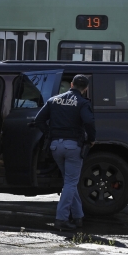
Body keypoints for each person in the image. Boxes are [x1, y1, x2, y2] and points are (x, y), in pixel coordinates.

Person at [34, 74, 96, 231]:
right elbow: (89, 121)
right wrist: (91, 139)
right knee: (70, 182)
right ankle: (61, 219)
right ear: (86, 89)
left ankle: (78, 216)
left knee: (70, 182)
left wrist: (49, 133)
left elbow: (38, 120)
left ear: (71, 84)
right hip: (73, 147)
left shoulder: (54, 100)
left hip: (55, 147)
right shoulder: (82, 102)